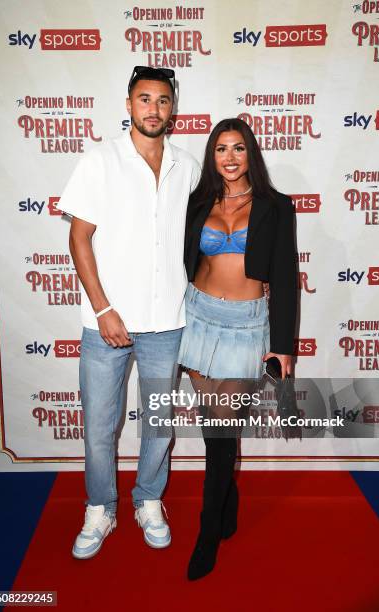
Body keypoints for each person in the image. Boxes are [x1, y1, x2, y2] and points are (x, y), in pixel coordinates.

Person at [59, 66, 200, 559]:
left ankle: (149, 499)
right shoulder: (100, 159)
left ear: (172, 109)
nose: (154, 109)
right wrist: (103, 308)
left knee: (159, 423)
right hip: (107, 322)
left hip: (168, 321)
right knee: (100, 423)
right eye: (145, 99)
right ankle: (100, 507)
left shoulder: (187, 164)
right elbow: (79, 238)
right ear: (128, 105)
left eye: (163, 101)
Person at [178, 117, 297, 579]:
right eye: (221, 149)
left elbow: (285, 278)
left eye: (239, 148)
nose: (229, 157)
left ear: (251, 154)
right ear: (213, 156)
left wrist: (283, 345)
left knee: (223, 432)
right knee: (216, 432)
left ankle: (207, 534)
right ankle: (228, 495)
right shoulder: (196, 202)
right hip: (198, 317)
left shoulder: (276, 206)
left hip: (246, 326)